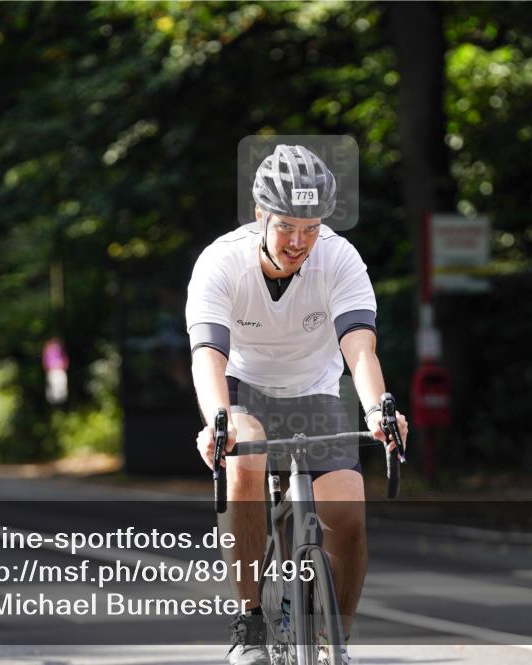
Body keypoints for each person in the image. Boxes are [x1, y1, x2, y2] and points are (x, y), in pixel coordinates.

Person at [186, 145, 408, 664]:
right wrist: (219, 421)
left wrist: (378, 409)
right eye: (287, 225)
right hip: (245, 388)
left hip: (315, 391)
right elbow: (207, 357)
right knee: (246, 456)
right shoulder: (221, 263)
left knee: (348, 512)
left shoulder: (339, 257)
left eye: (311, 228)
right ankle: (250, 625)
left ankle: (338, 641)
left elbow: (359, 346)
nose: (299, 241)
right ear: (260, 214)